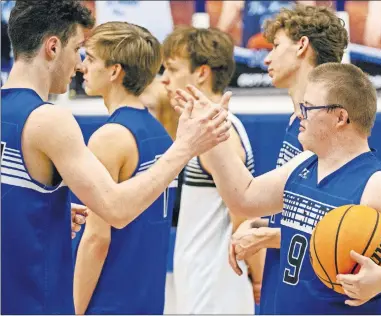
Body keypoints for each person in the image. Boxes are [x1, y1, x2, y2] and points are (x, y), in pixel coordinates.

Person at [0, 1, 230, 314]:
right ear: (52, 48)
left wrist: (41, 219)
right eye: (78, 49)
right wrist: (185, 146)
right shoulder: (50, 120)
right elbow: (117, 210)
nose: (79, 64)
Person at [174, 62, 381, 314]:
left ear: (340, 117)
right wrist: (213, 133)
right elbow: (244, 197)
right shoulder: (303, 164)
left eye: (308, 107)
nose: (300, 113)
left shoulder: (379, 184)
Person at [226, 5, 348, 314]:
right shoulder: (298, 120)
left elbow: (339, 228)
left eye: (276, 46)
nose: (266, 58)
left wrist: (266, 235)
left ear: (302, 45)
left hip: (318, 295)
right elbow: (300, 210)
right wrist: (260, 224)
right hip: (287, 284)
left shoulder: (333, 123)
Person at [73, 22, 177, 314]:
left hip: (110, 300)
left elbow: (96, 238)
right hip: (147, 299)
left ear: (114, 71)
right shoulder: (160, 133)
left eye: (91, 59)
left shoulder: (110, 138)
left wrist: (75, 309)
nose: (83, 67)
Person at [160, 26, 259, 314]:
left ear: (202, 73)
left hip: (215, 293)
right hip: (203, 287)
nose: (164, 79)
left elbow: (244, 214)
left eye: (173, 69)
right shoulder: (204, 128)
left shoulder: (217, 132)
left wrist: (260, 278)